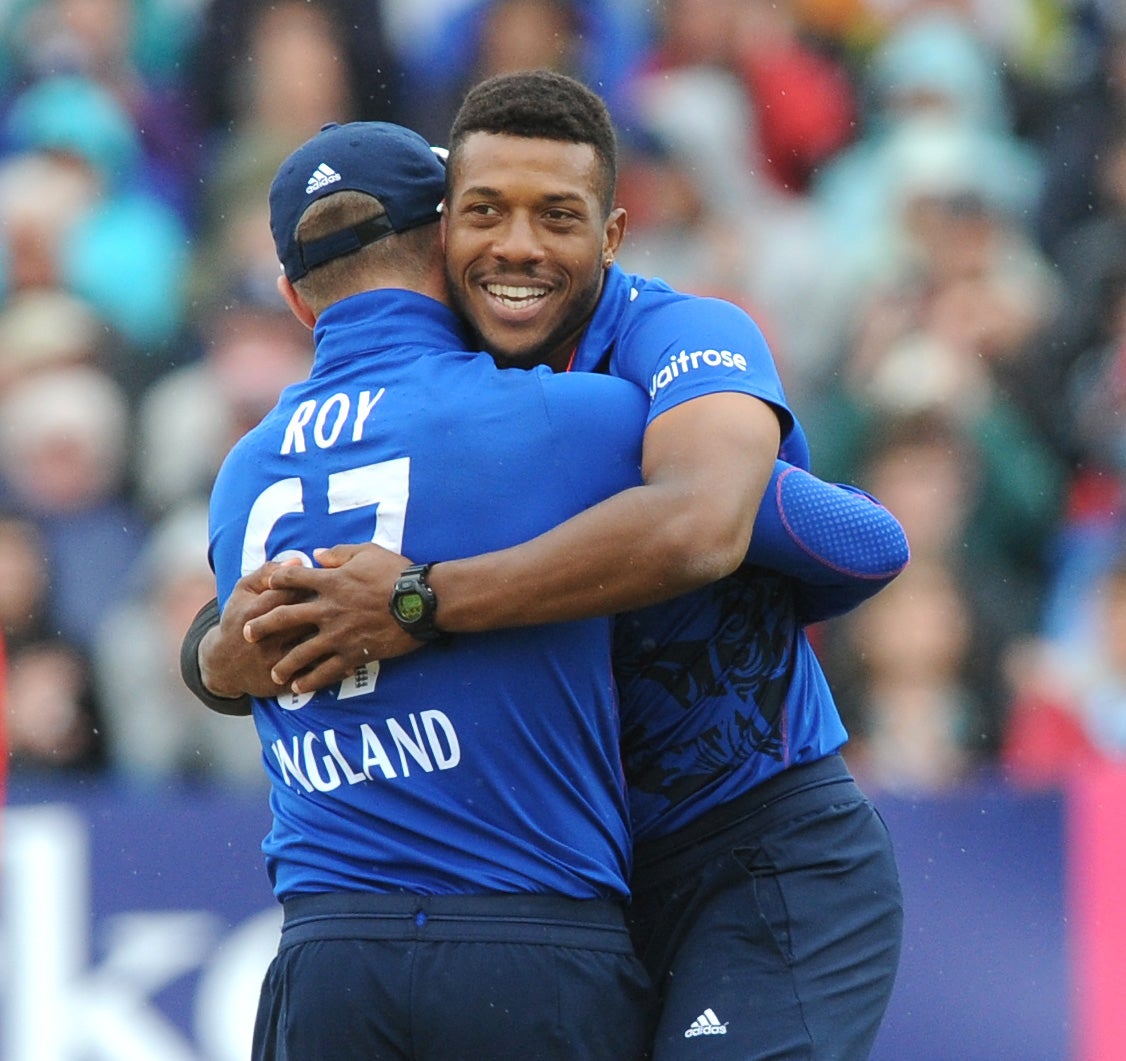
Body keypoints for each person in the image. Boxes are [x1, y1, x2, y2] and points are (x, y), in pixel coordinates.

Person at [186, 72, 907, 1059]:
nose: (517, 246)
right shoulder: (480, 404)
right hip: (588, 881)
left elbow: (845, 539)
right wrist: (225, 656)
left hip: (755, 849)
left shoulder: (669, 341)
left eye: (556, 216)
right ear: (439, 237)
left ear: (610, 235)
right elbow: (255, 627)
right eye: (485, 212)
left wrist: (421, 597)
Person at [207, 119, 655, 1059]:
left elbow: (227, 656)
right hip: (531, 942)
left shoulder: (241, 472)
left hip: (326, 957)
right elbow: (834, 532)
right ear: (451, 243)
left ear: (294, 298)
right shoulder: (570, 419)